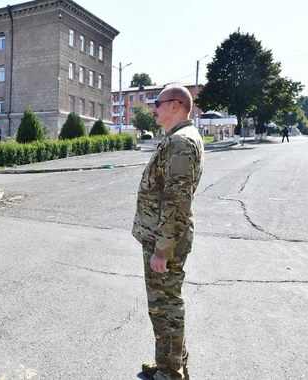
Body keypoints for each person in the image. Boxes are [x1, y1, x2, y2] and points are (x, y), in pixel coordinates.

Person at [132, 85, 205, 380]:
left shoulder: (180, 142)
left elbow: (176, 201)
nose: (153, 109)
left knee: (165, 307)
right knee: (165, 304)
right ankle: (170, 364)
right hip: (163, 236)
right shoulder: (179, 138)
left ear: (175, 106)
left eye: (158, 103)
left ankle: (170, 372)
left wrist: (162, 249)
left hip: (166, 241)